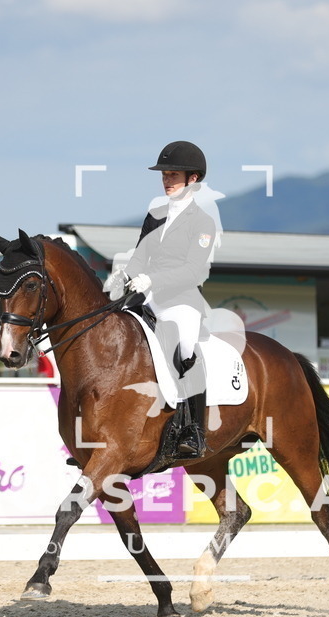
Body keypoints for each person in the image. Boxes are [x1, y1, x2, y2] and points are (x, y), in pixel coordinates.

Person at [105, 141, 224, 458]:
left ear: (193, 179)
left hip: (181, 301)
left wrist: (153, 279)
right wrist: (125, 275)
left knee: (184, 348)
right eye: (165, 175)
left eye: (173, 175)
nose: (167, 180)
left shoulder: (203, 222)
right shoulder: (155, 214)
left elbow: (193, 271)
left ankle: (194, 431)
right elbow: (140, 255)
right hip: (146, 297)